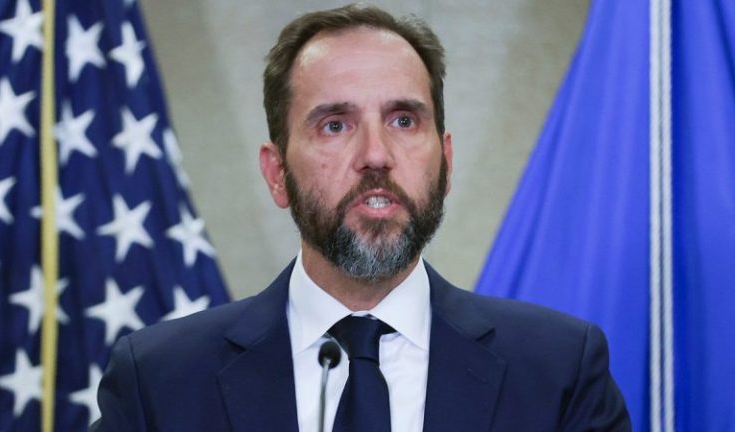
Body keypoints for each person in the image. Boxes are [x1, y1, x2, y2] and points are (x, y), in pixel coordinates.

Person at [91, 4, 630, 431]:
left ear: (445, 161)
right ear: (277, 173)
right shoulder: (158, 382)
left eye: (403, 120)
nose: (375, 155)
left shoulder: (559, 371)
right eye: (335, 125)